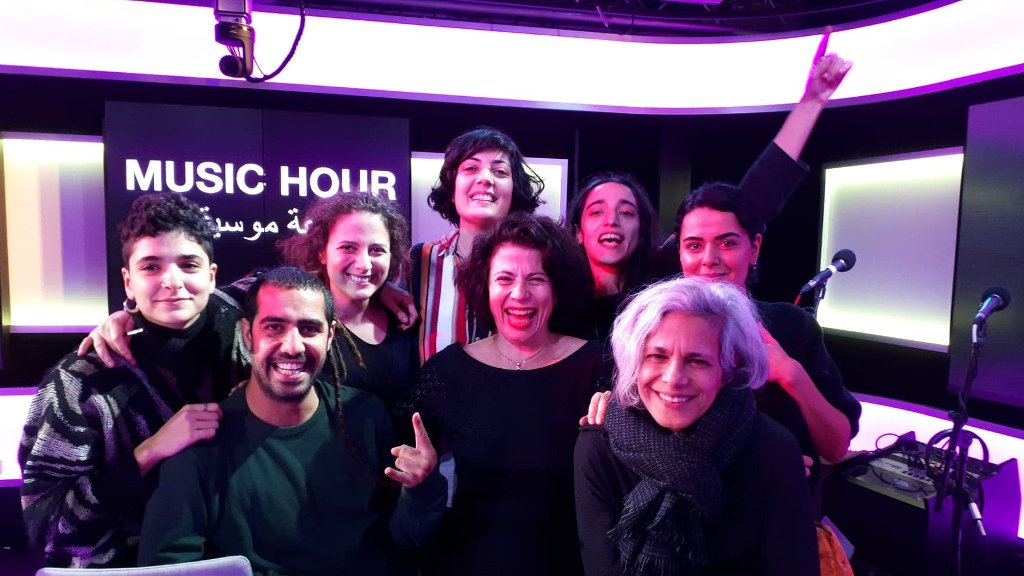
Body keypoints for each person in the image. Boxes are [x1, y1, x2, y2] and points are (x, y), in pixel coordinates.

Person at [138, 267, 446, 575]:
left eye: (309, 329)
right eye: (274, 327)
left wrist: (422, 489)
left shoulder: (366, 415)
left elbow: (404, 539)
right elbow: (167, 566)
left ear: (330, 336)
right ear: (248, 334)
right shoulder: (200, 441)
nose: (293, 346)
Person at [567, 28, 852, 342]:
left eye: (626, 212)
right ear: (578, 231)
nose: (612, 221)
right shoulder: (558, 297)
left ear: (643, 227)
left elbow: (753, 198)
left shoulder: (665, 281)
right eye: (597, 212)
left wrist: (811, 102)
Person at [18, 192, 243, 568]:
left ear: (212, 276)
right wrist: (148, 453)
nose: (172, 282)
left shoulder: (243, 332)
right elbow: (47, 527)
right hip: (128, 567)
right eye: (151, 267)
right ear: (128, 282)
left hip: (237, 558)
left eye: (188, 265)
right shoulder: (80, 382)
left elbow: (293, 285)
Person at [403, 214, 610, 576]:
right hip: (465, 562)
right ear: (484, 286)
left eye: (536, 279)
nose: (519, 294)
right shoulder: (449, 370)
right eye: (504, 279)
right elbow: (400, 456)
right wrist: (420, 476)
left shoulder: (597, 366)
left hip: (570, 564)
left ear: (557, 288)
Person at [575, 277, 818, 576]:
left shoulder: (773, 450)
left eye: (697, 361)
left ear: (728, 369)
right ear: (634, 362)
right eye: (657, 356)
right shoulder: (599, 446)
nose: (673, 378)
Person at [675, 181, 861, 501]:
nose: (709, 259)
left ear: (754, 248)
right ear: (679, 253)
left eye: (727, 243)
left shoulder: (793, 326)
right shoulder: (660, 331)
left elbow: (836, 446)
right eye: (694, 246)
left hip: (786, 512)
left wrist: (791, 373)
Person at [278, 192, 418, 438]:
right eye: (348, 247)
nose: (364, 264)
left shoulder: (405, 321)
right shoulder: (300, 328)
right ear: (322, 252)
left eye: (377, 250)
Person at [410, 126, 545, 364]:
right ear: (452, 190)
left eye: (500, 171)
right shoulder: (419, 260)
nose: (485, 179)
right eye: (471, 168)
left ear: (514, 190)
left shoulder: (541, 262)